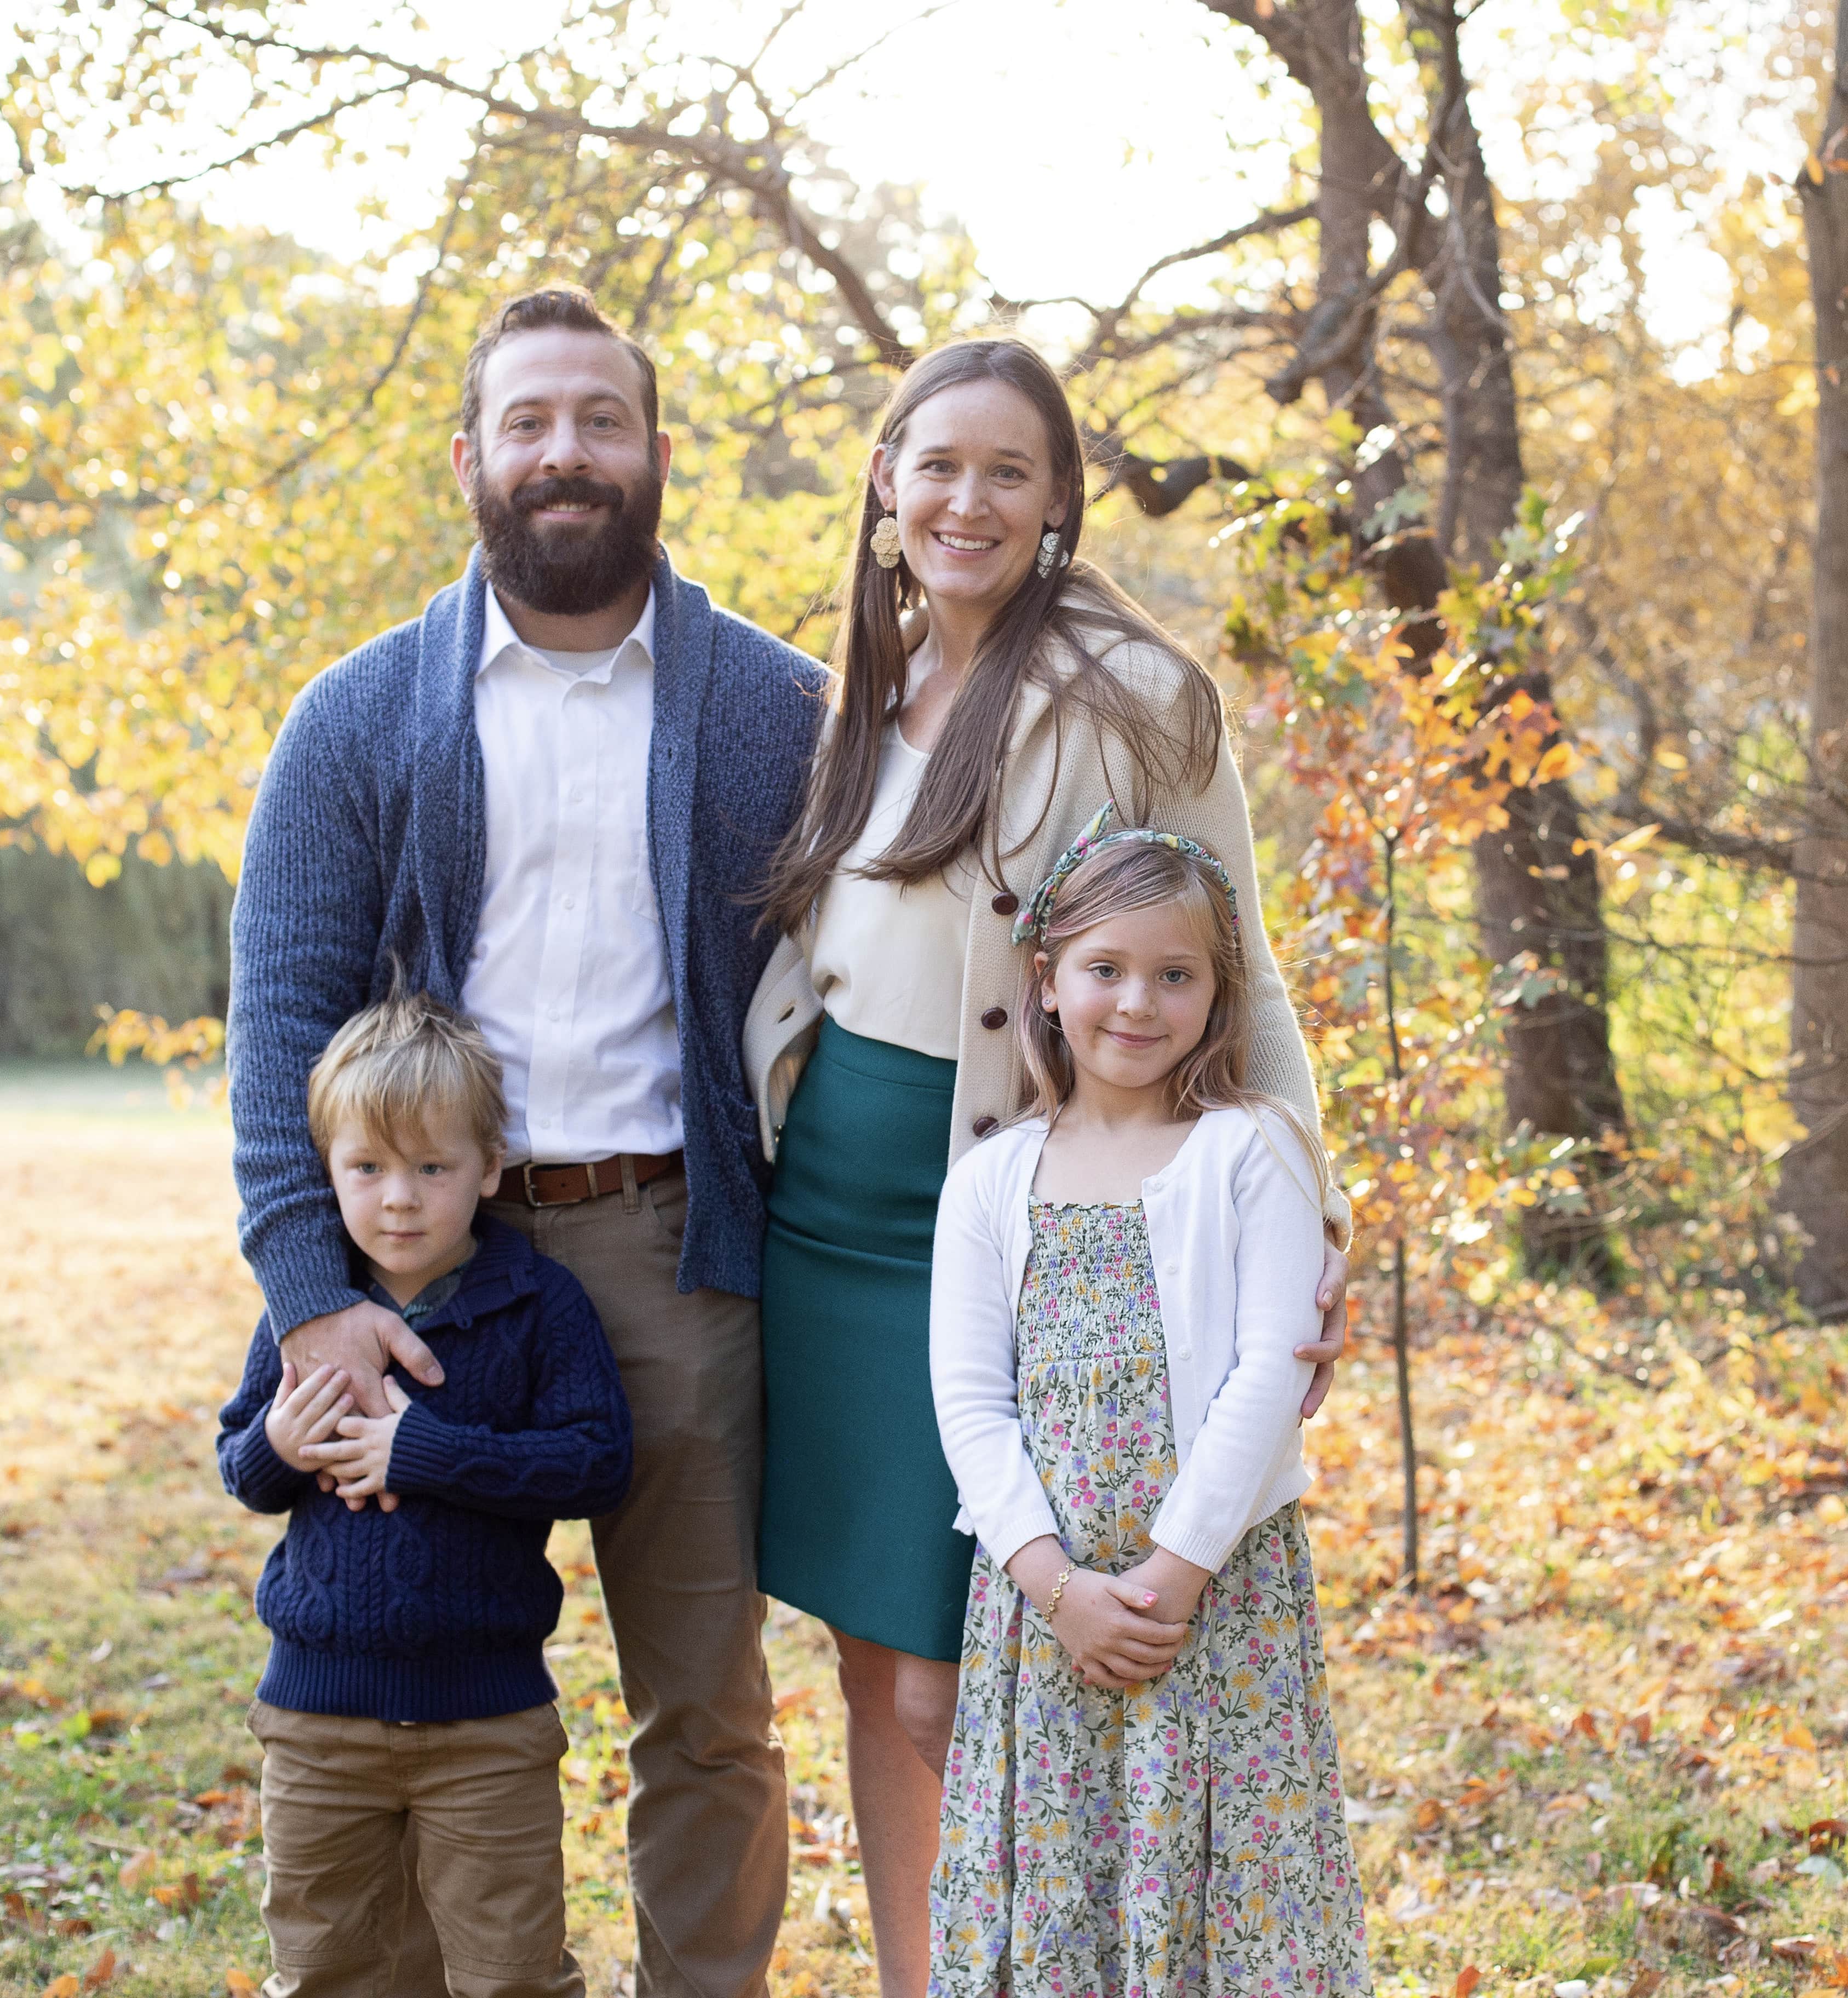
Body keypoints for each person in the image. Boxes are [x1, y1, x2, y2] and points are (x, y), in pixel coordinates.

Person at [228, 288, 824, 1996]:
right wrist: (309, 1299)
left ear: (653, 452)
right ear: (475, 455)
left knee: (704, 1708)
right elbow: (278, 1024)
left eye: (602, 420)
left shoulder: (780, 711)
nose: (566, 451)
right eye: (530, 421)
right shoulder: (355, 717)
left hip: (674, 1247)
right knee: (389, 1690)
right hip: (417, 1267)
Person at [745, 336, 1352, 1991]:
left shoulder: (1136, 696)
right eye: (936, 464)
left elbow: (1250, 961)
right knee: (884, 1667)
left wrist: (1315, 1205)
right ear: (886, 483)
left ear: (1058, 502)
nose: (967, 500)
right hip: (838, 1232)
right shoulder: (855, 686)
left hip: (1034, 1219)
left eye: (1007, 471)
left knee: (971, 1679)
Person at [926, 817, 1370, 1993]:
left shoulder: (1248, 1150)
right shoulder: (990, 1178)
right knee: (1070, 1875)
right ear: (1048, 981)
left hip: (1211, 1604)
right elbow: (969, 1403)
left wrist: (1170, 1577)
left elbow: (1264, 1377)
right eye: (1106, 970)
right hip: (1049, 1614)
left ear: (1218, 997)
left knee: (1218, 1881)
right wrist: (1055, 1586)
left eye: (1175, 976)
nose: (1136, 1002)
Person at [216, 990, 633, 1998]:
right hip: (318, 1721)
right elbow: (245, 1469)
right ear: (329, 1171)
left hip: (485, 1726)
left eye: (430, 1168)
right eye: (366, 1168)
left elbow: (594, 1461)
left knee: (509, 1975)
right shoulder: (308, 1311)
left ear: (489, 1168)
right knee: (327, 1968)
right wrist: (277, 1439)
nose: (397, 1199)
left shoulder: (537, 1303)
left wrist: (426, 1453)